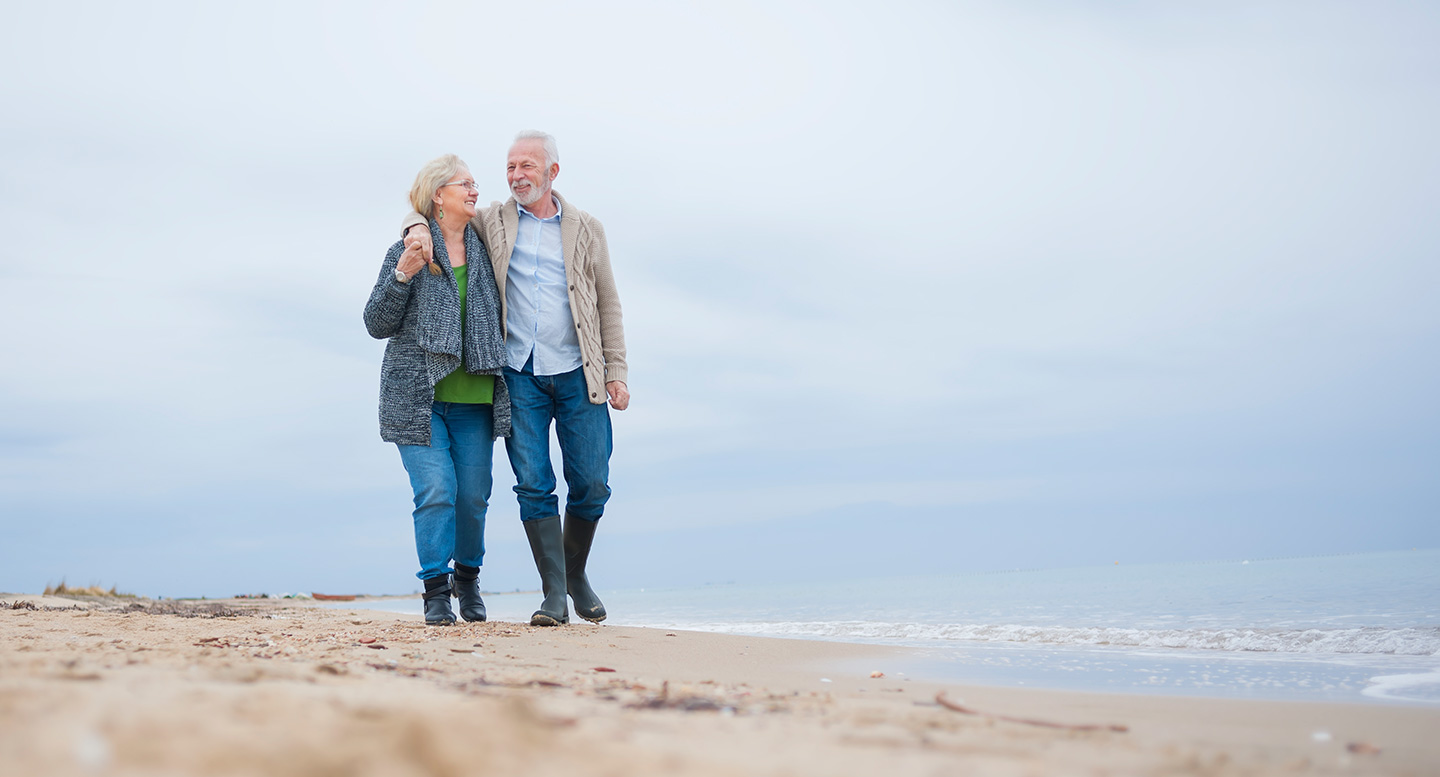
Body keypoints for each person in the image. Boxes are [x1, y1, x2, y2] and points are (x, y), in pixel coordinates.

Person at [402, 130, 628, 627]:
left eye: (527, 165)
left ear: (553, 172)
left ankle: (575, 574)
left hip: (578, 371)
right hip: (518, 373)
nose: (516, 175)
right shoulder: (494, 221)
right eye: (510, 167)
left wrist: (616, 370)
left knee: (591, 482)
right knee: (533, 484)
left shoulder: (588, 227)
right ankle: (553, 594)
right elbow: (433, 213)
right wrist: (415, 228)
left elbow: (608, 301)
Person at [365, 154, 510, 626]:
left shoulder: (486, 246)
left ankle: (468, 580)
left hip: (476, 399)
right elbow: (376, 323)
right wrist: (403, 272)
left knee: (473, 497)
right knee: (436, 492)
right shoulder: (407, 249)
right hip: (417, 398)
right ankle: (435, 592)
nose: (474, 190)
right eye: (464, 184)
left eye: (474, 183)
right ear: (438, 195)